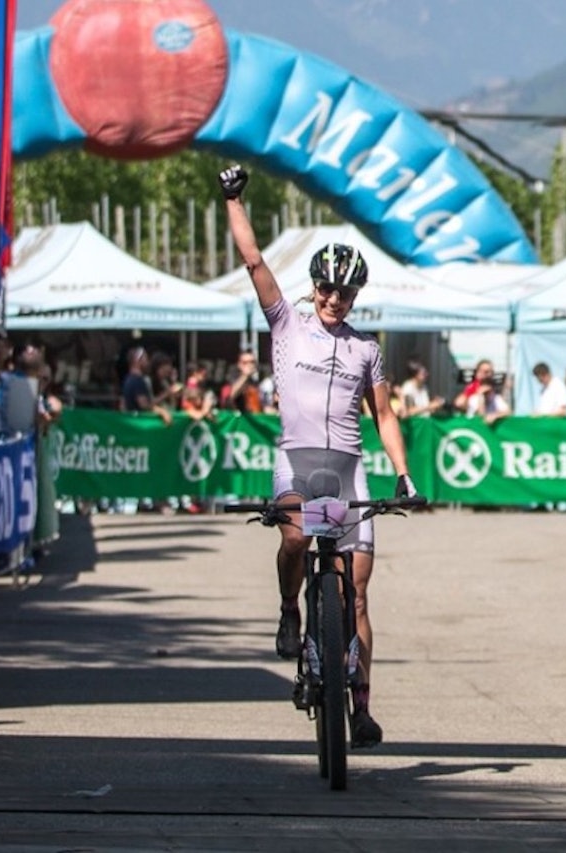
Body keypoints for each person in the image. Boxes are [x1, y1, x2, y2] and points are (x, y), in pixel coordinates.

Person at [221, 163, 415, 750]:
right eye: (327, 288)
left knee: (355, 592)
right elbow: (255, 262)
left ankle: (360, 707)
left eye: (346, 291)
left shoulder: (366, 347)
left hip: (348, 466)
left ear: (356, 295)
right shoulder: (287, 323)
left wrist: (404, 475)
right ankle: (288, 609)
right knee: (294, 537)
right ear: (314, 287)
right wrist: (233, 199)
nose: (335, 298)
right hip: (299, 458)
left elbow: (383, 417)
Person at [119, 347, 173, 425]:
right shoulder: (138, 380)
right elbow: (144, 405)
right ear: (137, 361)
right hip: (140, 424)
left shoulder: (127, 379)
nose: (147, 362)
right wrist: (162, 411)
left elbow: (122, 405)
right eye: (145, 358)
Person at [220, 349, 264, 413]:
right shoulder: (231, 380)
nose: (249, 365)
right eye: (245, 363)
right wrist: (245, 375)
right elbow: (231, 396)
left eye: (252, 362)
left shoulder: (255, 383)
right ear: (239, 364)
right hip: (239, 420)